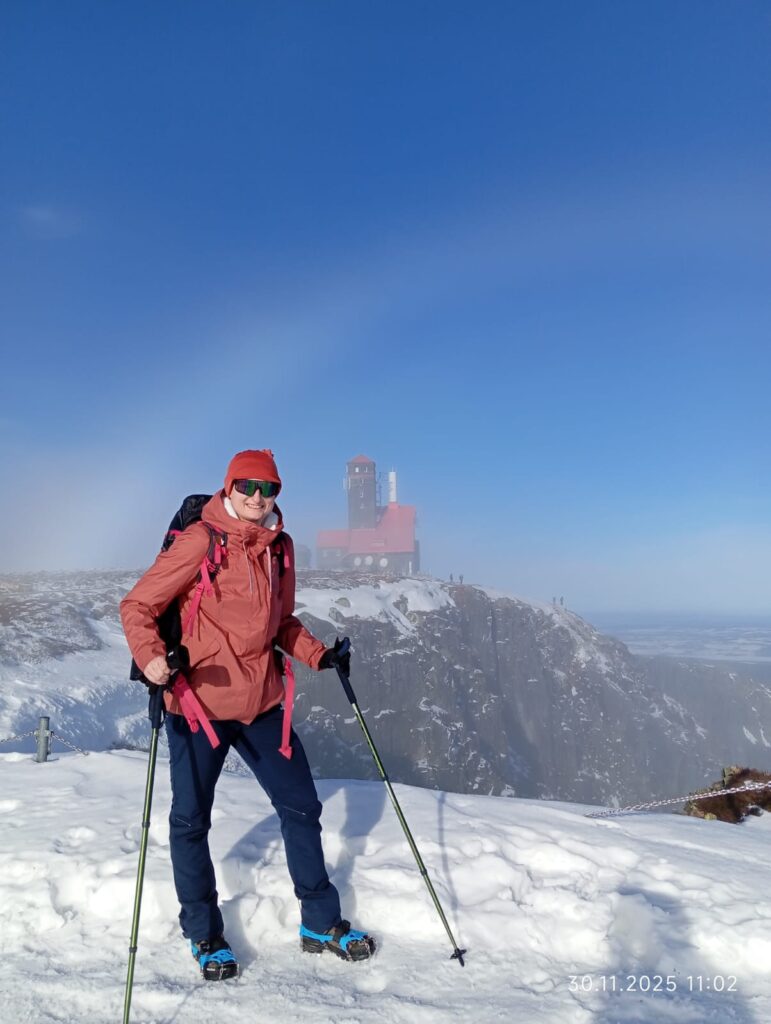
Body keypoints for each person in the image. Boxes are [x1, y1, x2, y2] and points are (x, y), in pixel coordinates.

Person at [120, 449, 374, 980]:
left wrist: (319, 654)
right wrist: (150, 658)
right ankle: (204, 934)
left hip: (261, 703)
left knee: (302, 807)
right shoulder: (200, 541)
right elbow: (138, 606)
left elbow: (281, 623)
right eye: (248, 486)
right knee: (191, 822)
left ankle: (319, 922)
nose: (258, 497)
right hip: (198, 706)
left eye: (269, 488)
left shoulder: (280, 548)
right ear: (229, 486)